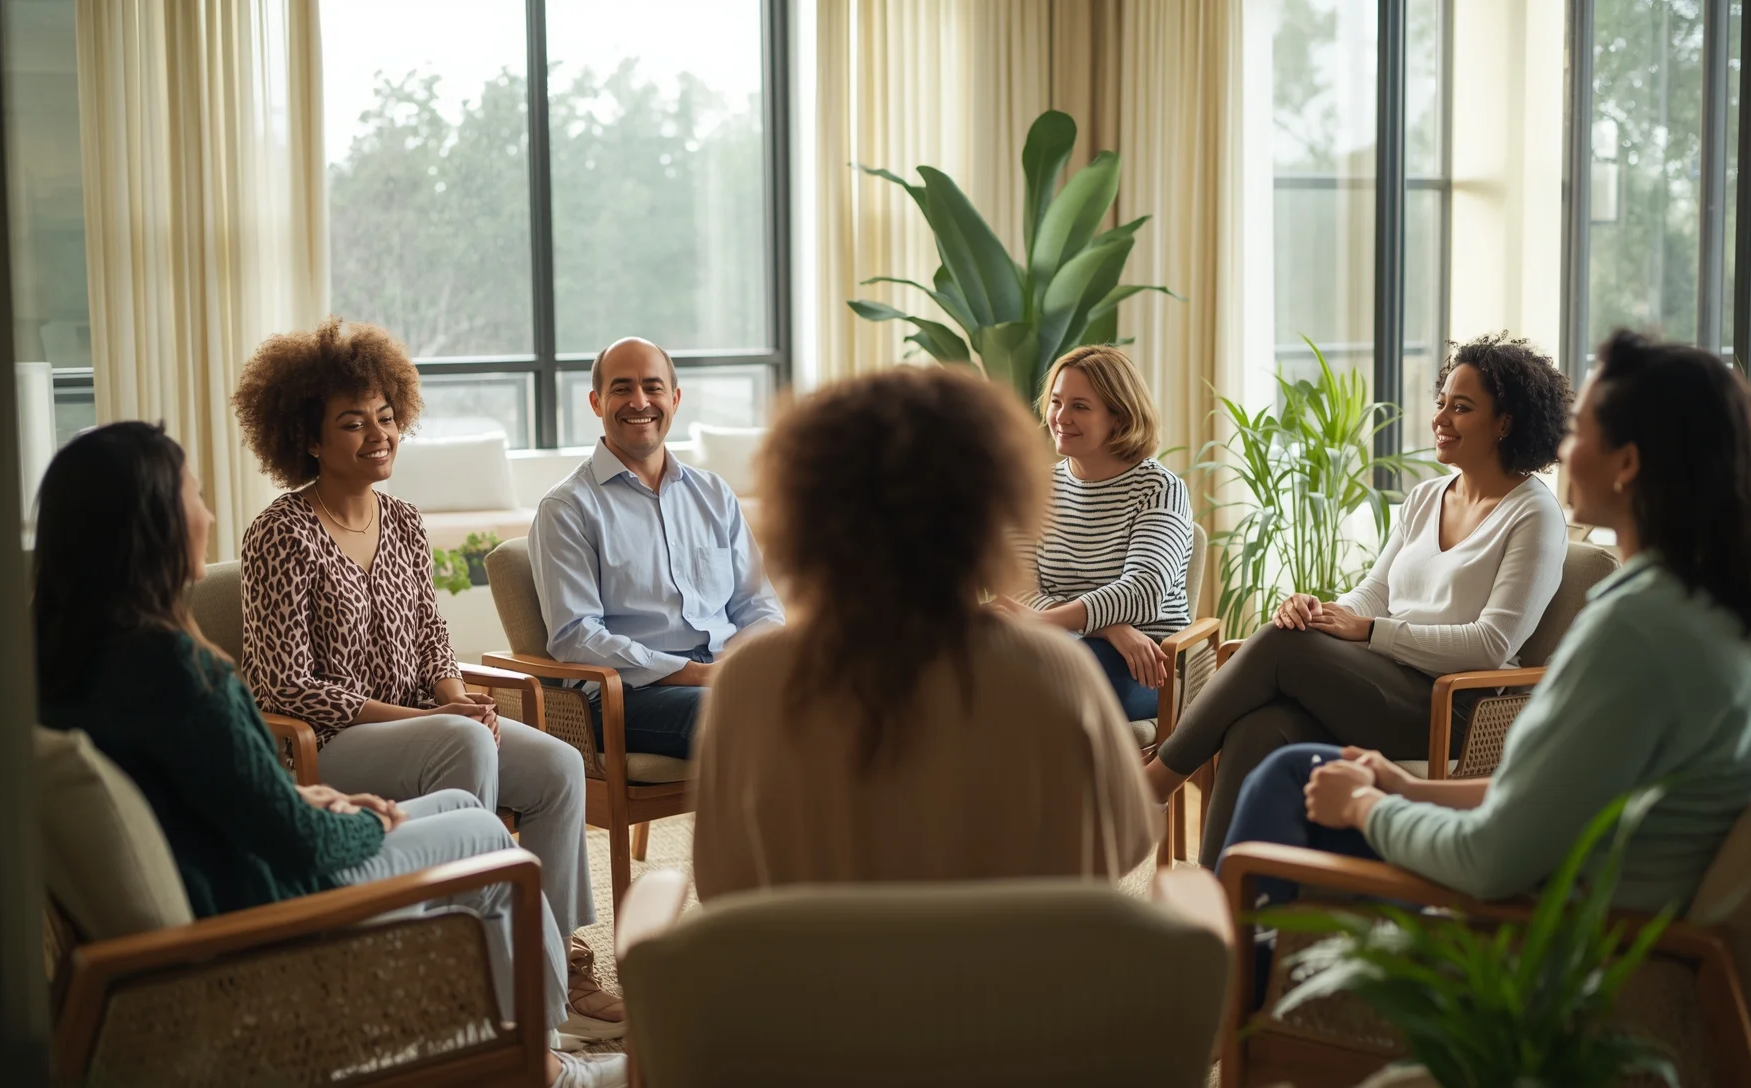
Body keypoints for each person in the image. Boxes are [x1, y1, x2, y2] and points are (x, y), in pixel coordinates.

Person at [31, 422, 624, 1088]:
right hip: (278, 908)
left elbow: (195, 793)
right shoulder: (177, 672)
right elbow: (301, 843)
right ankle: (543, 1069)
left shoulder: (65, 668)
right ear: (154, 525)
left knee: (465, 805)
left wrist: (303, 796)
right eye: (193, 495)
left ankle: (525, 1054)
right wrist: (363, 821)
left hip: (242, 880)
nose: (208, 513)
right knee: (493, 844)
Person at [1220, 331, 1751, 913]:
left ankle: (1231, 971)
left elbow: (1490, 859)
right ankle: (1239, 961)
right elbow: (1552, 796)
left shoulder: (1635, 630)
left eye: (1580, 429)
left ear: (1627, 463)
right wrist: (1405, 789)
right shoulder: (1739, 612)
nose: (1561, 448)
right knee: (1277, 743)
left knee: (1291, 774)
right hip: (1577, 889)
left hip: (1540, 945)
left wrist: (1364, 809)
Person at [231, 318, 619, 1041]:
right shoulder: (282, 533)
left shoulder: (405, 521)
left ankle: (555, 976)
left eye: (385, 417)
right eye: (352, 423)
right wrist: (427, 721)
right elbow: (282, 687)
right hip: (330, 743)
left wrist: (453, 697)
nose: (378, 435)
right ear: (308, 440)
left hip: (423, 724)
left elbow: (434, 638)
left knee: (560, 766)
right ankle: (457, 968)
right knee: (462, 747)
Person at [691, 366, 1159, 900]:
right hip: (1003, 979)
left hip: (821, 982)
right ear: (990, 507)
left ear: (805, 510)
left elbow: (721, 885)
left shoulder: (750, 678)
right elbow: (1124, 845)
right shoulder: (1052, 669)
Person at [1148, 332, 1574, 868]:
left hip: (1454, 704)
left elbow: (1491, 644)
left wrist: (1369, 632)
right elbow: (1374, 592)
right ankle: (1226, 903)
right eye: (1441, 401)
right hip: (1380, 683)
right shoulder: (1425, 497)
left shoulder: (1533, 515)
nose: (1441, 417)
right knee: (1258, 726)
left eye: (1461, 408)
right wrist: (1324, 611)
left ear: (1506, 423)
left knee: (1286, 645)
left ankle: (1154, 784)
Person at [528, 337, 783, 764]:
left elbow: (759, 606)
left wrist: (746, 666)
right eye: (622, 388)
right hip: (628, 695)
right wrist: (700, 675)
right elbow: (576, 637)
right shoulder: (567, 508)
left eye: (653, 387)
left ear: (675, 398)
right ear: (597, 402)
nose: (639, 401)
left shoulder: (714, 494)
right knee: (753, 715)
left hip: (726, 676)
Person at [990, 345, 1194, 721]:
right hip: (1059, 645)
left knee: (1045, 683)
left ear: (1119, 417)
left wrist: (1048, 619)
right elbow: (1017, 588)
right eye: (1056, 402)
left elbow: (1143, 591)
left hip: (1143, 663)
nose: (1061, 417)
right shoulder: (1035, 488)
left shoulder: (1159, 489)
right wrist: (1109, 627)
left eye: (1080, 406)